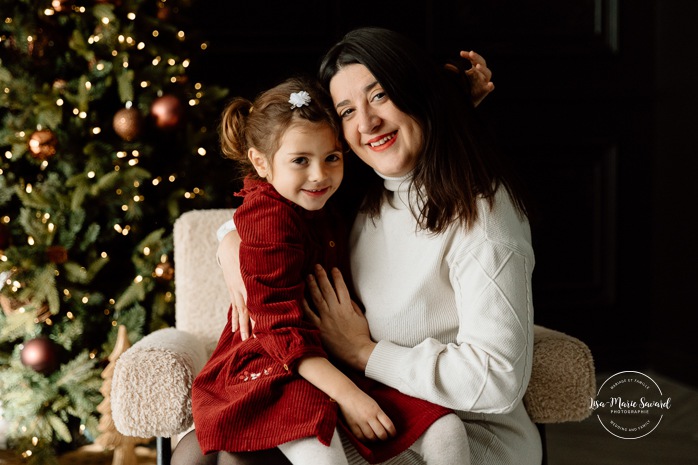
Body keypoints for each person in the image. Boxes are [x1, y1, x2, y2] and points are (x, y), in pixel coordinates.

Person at [214, 26, 542, 465]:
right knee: (217, 445)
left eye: (381, 95)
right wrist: (231, 244)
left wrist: (365, 353)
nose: (365, 123)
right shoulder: (369, 192)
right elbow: (275, 202)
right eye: (347, 111)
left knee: (245, 451)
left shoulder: (484, 220)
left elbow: (498, 380)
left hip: (467, 430)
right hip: (381, 401)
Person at [175, 75, 471, 465]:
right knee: (321, 450)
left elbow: (403, 137)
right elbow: (280, 330)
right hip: (274, 364)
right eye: (300, 161)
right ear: (261, 163)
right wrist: (350, 396)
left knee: (447, 430)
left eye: (332, 157)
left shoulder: (328, 197)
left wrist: (456, 89)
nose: (319, 175)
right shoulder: (269, 216)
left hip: (335, 355)